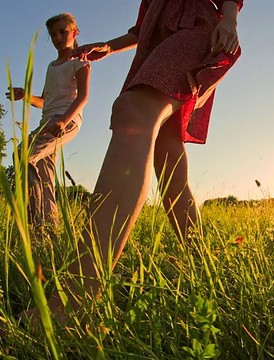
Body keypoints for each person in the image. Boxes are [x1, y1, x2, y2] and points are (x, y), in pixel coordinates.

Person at [25, 0, 243, 325]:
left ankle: (71, 306)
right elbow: (142, 29)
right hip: (156, 47)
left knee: (133, 112)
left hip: (196, 30)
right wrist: (108, 48)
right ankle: (210, 280)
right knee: (169, 168)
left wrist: (228, 18)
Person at [6, 13, 91, 235]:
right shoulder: (52, 65)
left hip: (65, 121)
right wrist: (25, 96)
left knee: (22, 155)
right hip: (48, 120)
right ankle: (49, 233)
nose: (58, 37)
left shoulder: (80, 61)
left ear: (75, 32)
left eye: (63, 31)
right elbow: (44, 101)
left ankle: (36, 226)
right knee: (44, 178)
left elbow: (83, 97)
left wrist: (64, 120)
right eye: (53, 34)